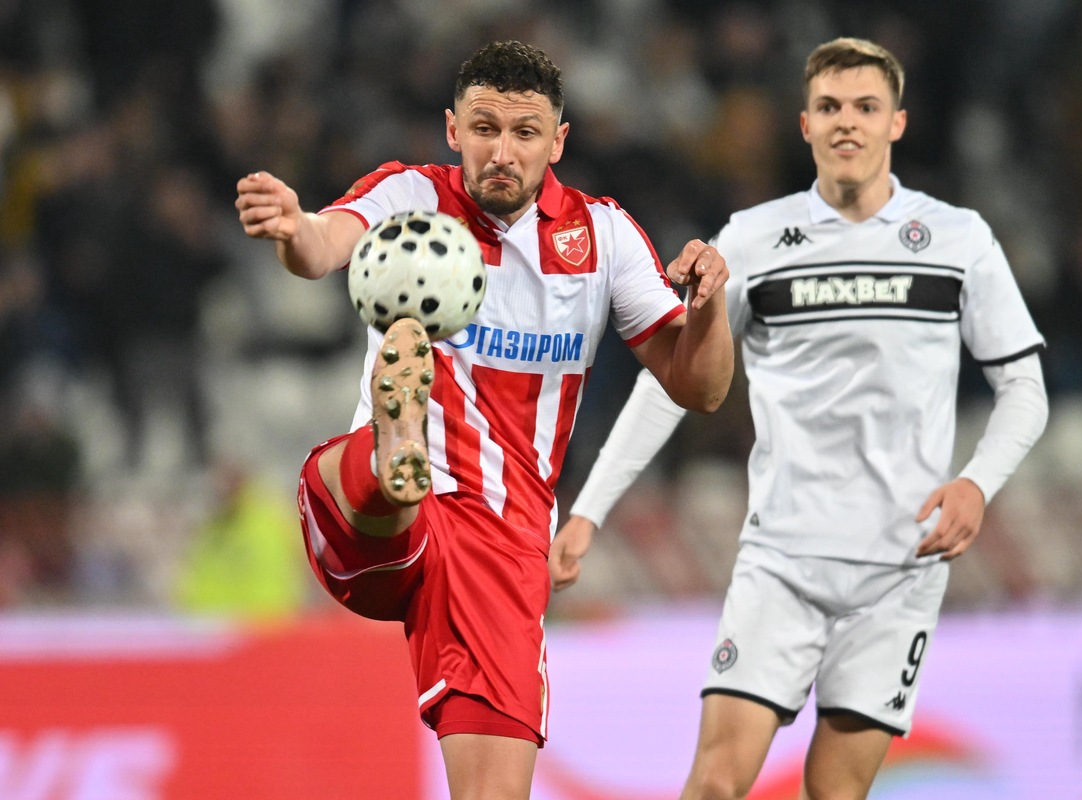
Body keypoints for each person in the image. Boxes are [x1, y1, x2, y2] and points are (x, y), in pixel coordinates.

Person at [550, 37, 1049, 800]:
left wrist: (977, 484)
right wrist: (588, 511)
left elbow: (1025, 389)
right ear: (806, 124)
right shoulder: (752, 238)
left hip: (900, 569)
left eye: (865, 107)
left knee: (835, 793)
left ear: (899, 124)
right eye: (830, 108)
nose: (847, 122)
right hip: (782, 559)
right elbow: (672, 383)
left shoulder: (958, 239)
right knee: (716, 782)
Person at [234, 40, 734, 800]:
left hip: (502, 548)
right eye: (485, 128)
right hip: (389, 512)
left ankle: (395, 461)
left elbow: (701, 388)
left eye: (525, 133)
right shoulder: (410, 198)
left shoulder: (601, 240)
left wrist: (709, 310)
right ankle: (396, 461)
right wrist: (293, 226)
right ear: (452, 129)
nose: (502, 151)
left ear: (558, 140)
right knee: (371, 478)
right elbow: (323, 246)